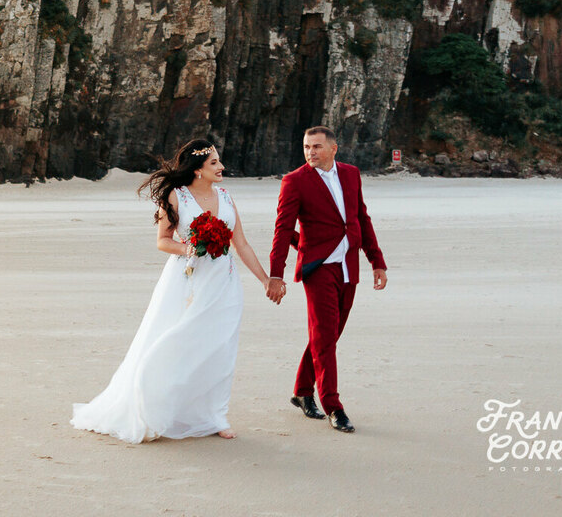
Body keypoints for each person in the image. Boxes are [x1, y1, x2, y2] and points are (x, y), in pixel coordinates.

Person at [71, 138, 275, 442]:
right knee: (176, 341)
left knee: (220, 347)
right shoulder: (176, 196)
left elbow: (240, 243)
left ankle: (215, 415)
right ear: (197, 170)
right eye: (214, 163)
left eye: (219, 161)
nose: (222, 167)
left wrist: (264, 279)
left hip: (224, 282)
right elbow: (163, 240)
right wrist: (189, 247)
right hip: (188, 280)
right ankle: (151, 400)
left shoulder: (226, 196)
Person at [266, 125, 387, 434]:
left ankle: (303, 390)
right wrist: (276, 274)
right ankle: (333, 405)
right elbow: (282, 229)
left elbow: (361, 217)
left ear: (334, 149)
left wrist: (377, 261)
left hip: (348, 266)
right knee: (324, 337)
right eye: (307, 147)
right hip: (318, 269)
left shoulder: (351, 174)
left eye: (317, 146)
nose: (311, 152)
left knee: (328, 335)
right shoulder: (294, 181)